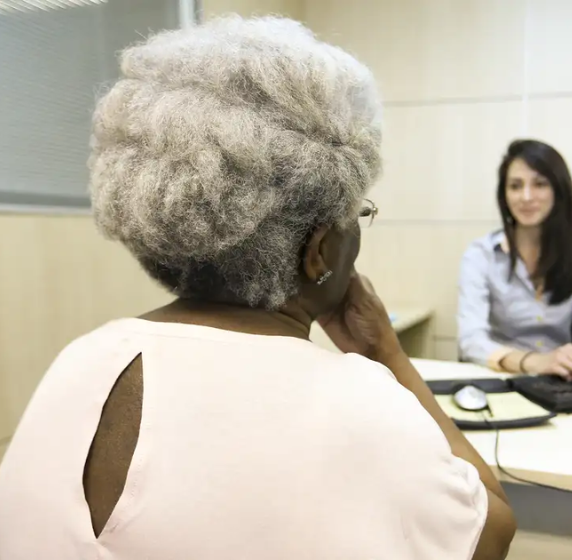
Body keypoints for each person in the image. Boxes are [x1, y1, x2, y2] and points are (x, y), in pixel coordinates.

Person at [0, 16, 516, 560]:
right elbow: (492, 530)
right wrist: (386, 352)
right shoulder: (365, 403)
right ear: (318, 248)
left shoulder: (81, 363)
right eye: (357, 214)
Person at [458, 139, 572, 381]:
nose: (526, 196)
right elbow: (471, 339)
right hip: (506, 378)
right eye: (515, 186)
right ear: (504, 194)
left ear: (558, 190)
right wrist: (535, 362)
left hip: (564, 378)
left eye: (540, 184)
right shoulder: (481, 254)